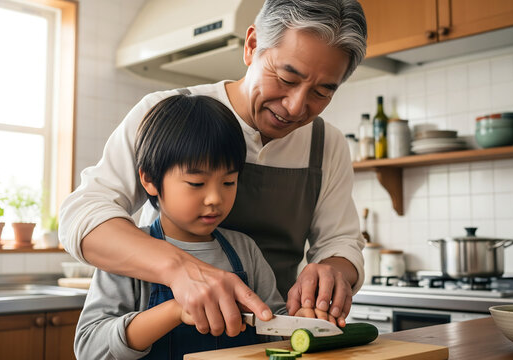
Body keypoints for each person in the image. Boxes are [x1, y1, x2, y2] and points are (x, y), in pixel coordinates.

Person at [60, 0, 367, 337]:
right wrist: (180, 269)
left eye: (322, 92)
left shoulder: (327, 143)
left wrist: (331, 272)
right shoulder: (166, 115)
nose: (296, 107)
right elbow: (83, 214)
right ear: (251, 46)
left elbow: (341, 242)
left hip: (264, 336)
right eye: (286, 77)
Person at [74, 94, 333, 360]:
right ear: (150, 179)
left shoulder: (245, 250)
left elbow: (273, 328)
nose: (215, 199)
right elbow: (89, 348)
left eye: (229, 182)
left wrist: (300, 321)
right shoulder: (126, 255)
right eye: (196, 183)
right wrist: (176, 310)